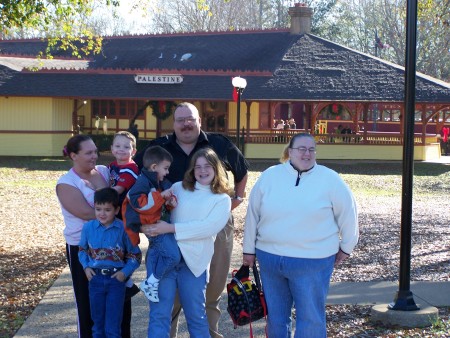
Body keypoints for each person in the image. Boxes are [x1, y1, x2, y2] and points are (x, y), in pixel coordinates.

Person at [134, 102, 249, 338]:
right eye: (180, 120)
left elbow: (242, 171)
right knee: (169, 296)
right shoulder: (159, 147)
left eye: (191, 119)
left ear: (199, 121)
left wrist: (234, 200)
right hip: (170, 223)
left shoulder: (219, 144)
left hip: (214, 223)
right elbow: (141, 179)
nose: (186, 123)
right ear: (174, 123)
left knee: (211, 288)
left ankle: (210, 333)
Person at [242, 133, 359, 338]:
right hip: (270, 258)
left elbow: (348, 214)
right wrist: (248, 250)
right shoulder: (270, 176)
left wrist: (347, 246)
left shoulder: (330, 179)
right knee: (276, 318)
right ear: (290, 151)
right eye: (301, 149)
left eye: (311, 149)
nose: (307, 153)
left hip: (312, 261)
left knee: (310, 318)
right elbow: (253, 214)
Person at [141, 147, 233, 337]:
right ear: (192, 170)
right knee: (159, 315)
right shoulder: (177, 188)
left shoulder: (222, 199)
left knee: (197, 317)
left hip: (194, 265)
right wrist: (145, 227)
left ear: (216, 168)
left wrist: (171, 228)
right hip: (165, 261)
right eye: (197, 167)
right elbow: (151, 208)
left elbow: (207, 227)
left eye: (207, 166)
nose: (202, 171)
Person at [56, 134, 134, 338]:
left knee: (120, 304)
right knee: (89, 305)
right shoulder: (66, 183)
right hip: (85, 249)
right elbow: (88, 213)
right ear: (73, 155)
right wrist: (111, 202)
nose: (94, 156)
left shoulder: (103, 171)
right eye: (88, 152)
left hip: (116, 245)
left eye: (95, 151)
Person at [78, 188, 142, 338]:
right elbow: (81, 250)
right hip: (95, 279)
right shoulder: (88, 228)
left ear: (116, 209)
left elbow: (135, 255)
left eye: (107, 209)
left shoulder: (123, 229)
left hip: (116, 281)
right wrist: (86, 267)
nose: (102, 213)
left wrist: (123, 273)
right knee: (97, 326)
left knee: (113, 328)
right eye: (98, 209)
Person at [122, 145, 178, 303]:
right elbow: (141, 205)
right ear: (154, 167)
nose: (167, 172)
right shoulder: (143, 182)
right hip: (152, 227)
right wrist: (162, 197)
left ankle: (151, 282)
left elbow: (161, 205)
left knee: (155, 253)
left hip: (158, 225)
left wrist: (170, 202)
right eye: (165, 168)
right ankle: (151, 281)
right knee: (173, 256)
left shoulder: (159, 181)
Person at [108, 131, 141, 302]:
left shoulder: (131, 169)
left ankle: (127, 279)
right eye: (118, 146)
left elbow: (117, 190)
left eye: (126, 147)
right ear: (112, 148)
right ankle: (126, 283)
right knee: (116, 249)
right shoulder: (113, 166)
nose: (122, 149)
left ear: (133, 151)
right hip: (116, 214)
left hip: (127, 215)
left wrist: (97, 196)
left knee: (129, 249)